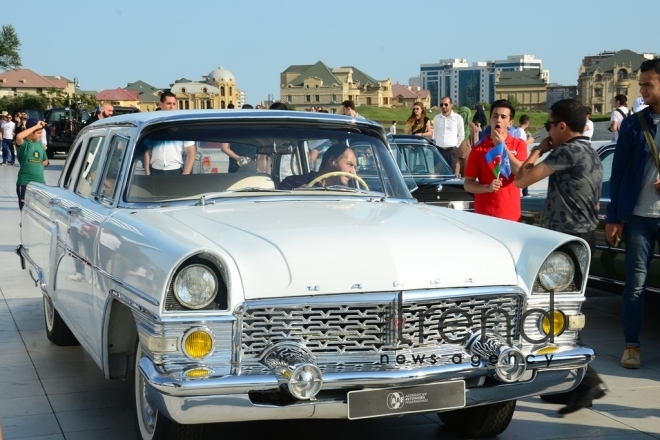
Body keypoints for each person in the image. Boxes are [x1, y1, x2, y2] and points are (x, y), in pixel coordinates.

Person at [515, 98, 607, 415]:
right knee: (560, 316)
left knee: (558, 318)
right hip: (583, 240)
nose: (548, 131)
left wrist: (538, 149)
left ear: (562, 127)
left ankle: (587, 382)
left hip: (565, 245)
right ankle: (573, 384)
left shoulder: (566, 151)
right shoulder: (591, 151)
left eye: (550, 125)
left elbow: (521, 180)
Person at [606, 58, 660, 370]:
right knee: (635, 284)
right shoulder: (633, 124)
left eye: (648, 85)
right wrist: (615, 217)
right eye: (641, 85)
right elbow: (620, 173)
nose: (642, 90)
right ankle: (632, 346)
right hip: (639, 216)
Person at [463, 99, 527, 221]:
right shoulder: (478, 149)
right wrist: (486, 188)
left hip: (511, 215)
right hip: (485, 215)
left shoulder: (519, 145)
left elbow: (521, 174)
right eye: (495, 116)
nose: (498, 120)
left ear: (510, 123)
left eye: (503, 117)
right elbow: (468, 184)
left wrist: (502, 147)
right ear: (490, 120)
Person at [143, 92, 195, 175]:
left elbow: (191, 152)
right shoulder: (153, 126)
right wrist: (147, 172)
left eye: (174, 104)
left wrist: (185, 174)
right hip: (155, 170)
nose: (172, 106)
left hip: (175, 171)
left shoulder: (182, 127)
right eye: (169, 103)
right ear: (161, 104)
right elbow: (147, 151)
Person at [279, 143, 357, 190]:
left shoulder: (347, 194)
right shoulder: (292, 183)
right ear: (332, 161)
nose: (353, 172)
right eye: (349, 165)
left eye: (354, 167)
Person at [15, 119, 49, 210]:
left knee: (38, 212)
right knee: (25, 210)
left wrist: (38, 163)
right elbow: (18, 137)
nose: (40, 135)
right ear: (30, 132)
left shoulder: (40, 145)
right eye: (38, 133)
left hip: (40, 183)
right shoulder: (24, 144)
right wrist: (36, 126)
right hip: (25, 183)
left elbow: (45, 161)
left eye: (41, 132)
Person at [432, 96, 465, 172]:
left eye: (446, 104)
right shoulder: (436, 118)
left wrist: (455, 146)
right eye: (441, 104)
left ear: (451, 105)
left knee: (451, 174)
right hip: (439, 150)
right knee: (437, 174)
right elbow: (435, 133)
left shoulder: (457, 118)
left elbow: (461, 135)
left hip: (451, 151)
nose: (443, 106)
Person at [455, 106, 472, 177]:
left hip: (456, 149)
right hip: (466, 150)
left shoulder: (455, 124)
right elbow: (474, 141)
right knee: (465, 173)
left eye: (460, 112)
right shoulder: (471, 126)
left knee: (456, 166)